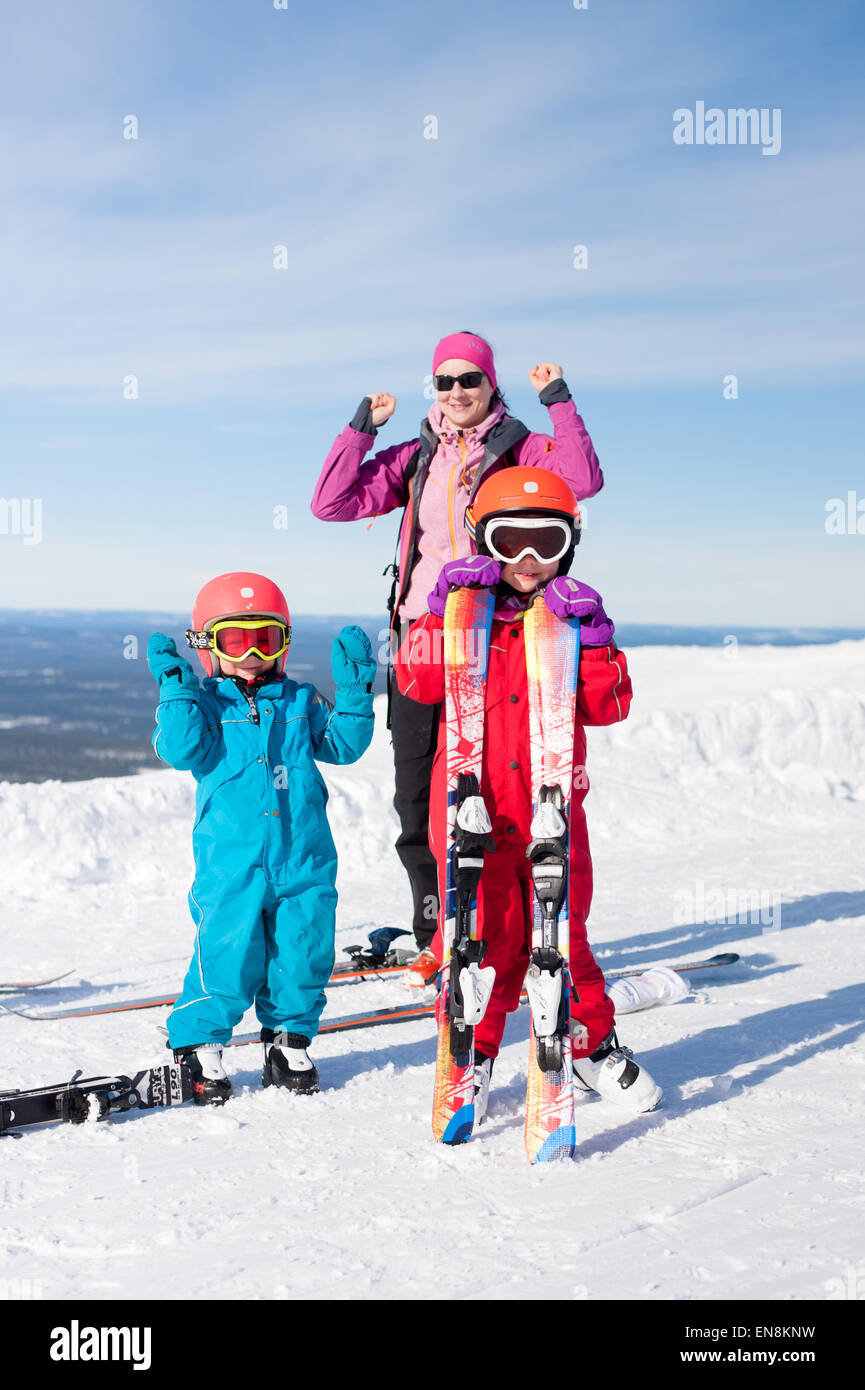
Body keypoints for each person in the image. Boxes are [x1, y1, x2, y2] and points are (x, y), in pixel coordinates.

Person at [311, 331, 603, 982]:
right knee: (417, 799)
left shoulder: (518, 447)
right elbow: (331, 503)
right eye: (443, 381)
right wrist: (360, 429)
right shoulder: (416, 455)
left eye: (469, 379)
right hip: (421, 635)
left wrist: (557, 400)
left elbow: (583, 479)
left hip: (497, 634)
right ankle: (442, 936)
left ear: (490, 384)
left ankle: (519, 936)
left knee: (504, 793)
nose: (457, 391)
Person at [394, 469, 661, 1117]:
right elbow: (416, 683)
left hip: (553, 813)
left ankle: (589, 1044)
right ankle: (474, 1053)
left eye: (544, 542)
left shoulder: (566, 619)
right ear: (485, 542)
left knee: (566, 940)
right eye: (510, 540)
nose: (528, 560)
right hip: (469, 813)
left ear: (567, 545)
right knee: (482, 944)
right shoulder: (465, 617)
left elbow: (608, 706)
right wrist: (437, 611)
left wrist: (595, 639)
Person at [146, 571, 375, 1105]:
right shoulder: (206, 705)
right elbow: (179, 751)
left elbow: (342, 745)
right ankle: (199, 1043)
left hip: (305, 856)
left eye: (264, 638)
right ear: (208, 646)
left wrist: (357, 692)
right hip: (234, 862)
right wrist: (177, 692)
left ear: (283, 643)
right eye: (235, 639)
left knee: (304, 949)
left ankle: (288, 1040)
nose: (251, 652)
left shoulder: (300, 700)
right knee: (228, 948)